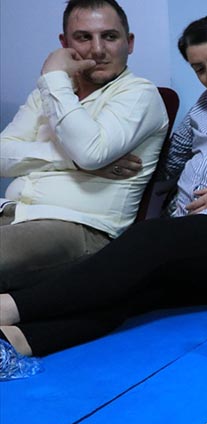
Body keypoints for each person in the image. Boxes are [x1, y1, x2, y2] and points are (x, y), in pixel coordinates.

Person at [0, 15, 207, 363]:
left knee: (150, 239)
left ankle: (9, 307)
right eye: (199, 68)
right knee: (136, 289)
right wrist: (106, 163)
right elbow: (166, 163)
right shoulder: (202, 110)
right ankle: (19, 340)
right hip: (196, 234)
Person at [0, 0, 168, 288]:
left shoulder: (140, 94)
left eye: (110, 36)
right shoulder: (48, 94)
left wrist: (53, 75)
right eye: (83, 37)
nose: (98, 50)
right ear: (65, 43)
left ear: (129, 43)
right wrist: (69, 160)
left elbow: (90, 153)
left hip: (78, 227)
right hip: (13, 211)